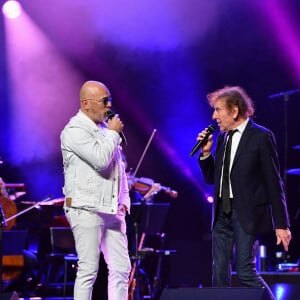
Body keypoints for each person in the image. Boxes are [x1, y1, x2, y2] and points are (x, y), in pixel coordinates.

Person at [196, 86, 292, 299]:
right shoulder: (222, 138)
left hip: (245, 213)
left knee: (245, 271)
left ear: (235, 110)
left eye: (218, 110)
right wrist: (205, 154)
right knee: (219, 272)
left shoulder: (261, 137)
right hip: (221, 212)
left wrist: (281, 224)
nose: (214, 116)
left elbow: (274, 183)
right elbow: (213, 178)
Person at [60, 80, 131, 300]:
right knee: (89, 269)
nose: (109, 106)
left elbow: (118, 168)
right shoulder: (73, 131)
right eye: (104, 101)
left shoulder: (103, 130)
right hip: (86, 208)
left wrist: (124, 202)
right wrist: (113, 134)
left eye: (110, 100)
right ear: (86, 103)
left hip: (111, 209)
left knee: (121, 268)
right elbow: (100, 160)